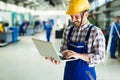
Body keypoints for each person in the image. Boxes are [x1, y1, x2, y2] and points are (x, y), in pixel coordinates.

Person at [49, 0, 105, 80]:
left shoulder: (95, 32)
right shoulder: (68, 30)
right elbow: (63, 50)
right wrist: (59, 58)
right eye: (71, 16)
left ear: (86, 14)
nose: (73, 20)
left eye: (76, 17)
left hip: (86, 74)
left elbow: (101, 57)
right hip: (69, 73)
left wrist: (79, 55)